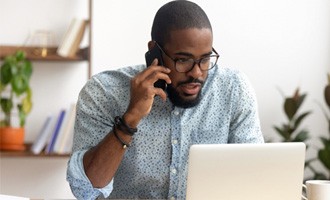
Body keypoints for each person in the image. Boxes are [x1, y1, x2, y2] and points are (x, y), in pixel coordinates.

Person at [66, 0, 264, 199]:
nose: (197, 73)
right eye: (183, 60)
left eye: (205, 59)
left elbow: (256, 176)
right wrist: (130, 118)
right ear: (155, 51)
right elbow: (85, 189)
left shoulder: (233, 89)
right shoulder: (104, 92)